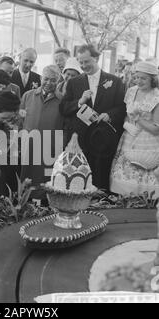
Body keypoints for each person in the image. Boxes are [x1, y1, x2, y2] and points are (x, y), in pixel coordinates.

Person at [61, 44, 126, 192]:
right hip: (81, 139)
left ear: (96, 58)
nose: (83, 65)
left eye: (86, 61)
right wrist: (79, 102)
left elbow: (122, 107)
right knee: (79, 178)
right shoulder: (73, 82)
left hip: (104, 139)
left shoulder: (114, 81)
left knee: (100, 178)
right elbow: (63, 108)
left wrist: (109, 115)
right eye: (81, 62)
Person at [110, 61, 159, 197]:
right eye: (137, 77)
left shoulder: (156, 96)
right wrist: (127, 125)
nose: (139, 81)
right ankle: (125, 202)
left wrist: (138, 120)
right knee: (125, 173)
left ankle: (144, 205)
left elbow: (156, 129)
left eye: (143, 78)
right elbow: (126, 115)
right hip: (129, 137)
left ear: (153, 79)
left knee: (145, 171)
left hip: (148, 141)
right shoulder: (131, 91)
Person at [20, 65, 64, 203]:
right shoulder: (28, 96)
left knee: (45, 183)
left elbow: (66, 128)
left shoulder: (63, 101)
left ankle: (44, 209)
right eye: (46, 79)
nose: (49, 83)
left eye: (53, 80)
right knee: (26, 181)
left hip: (50, 149)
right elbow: (19, 121)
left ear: (58, 81)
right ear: (40, 78)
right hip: (29, 147)